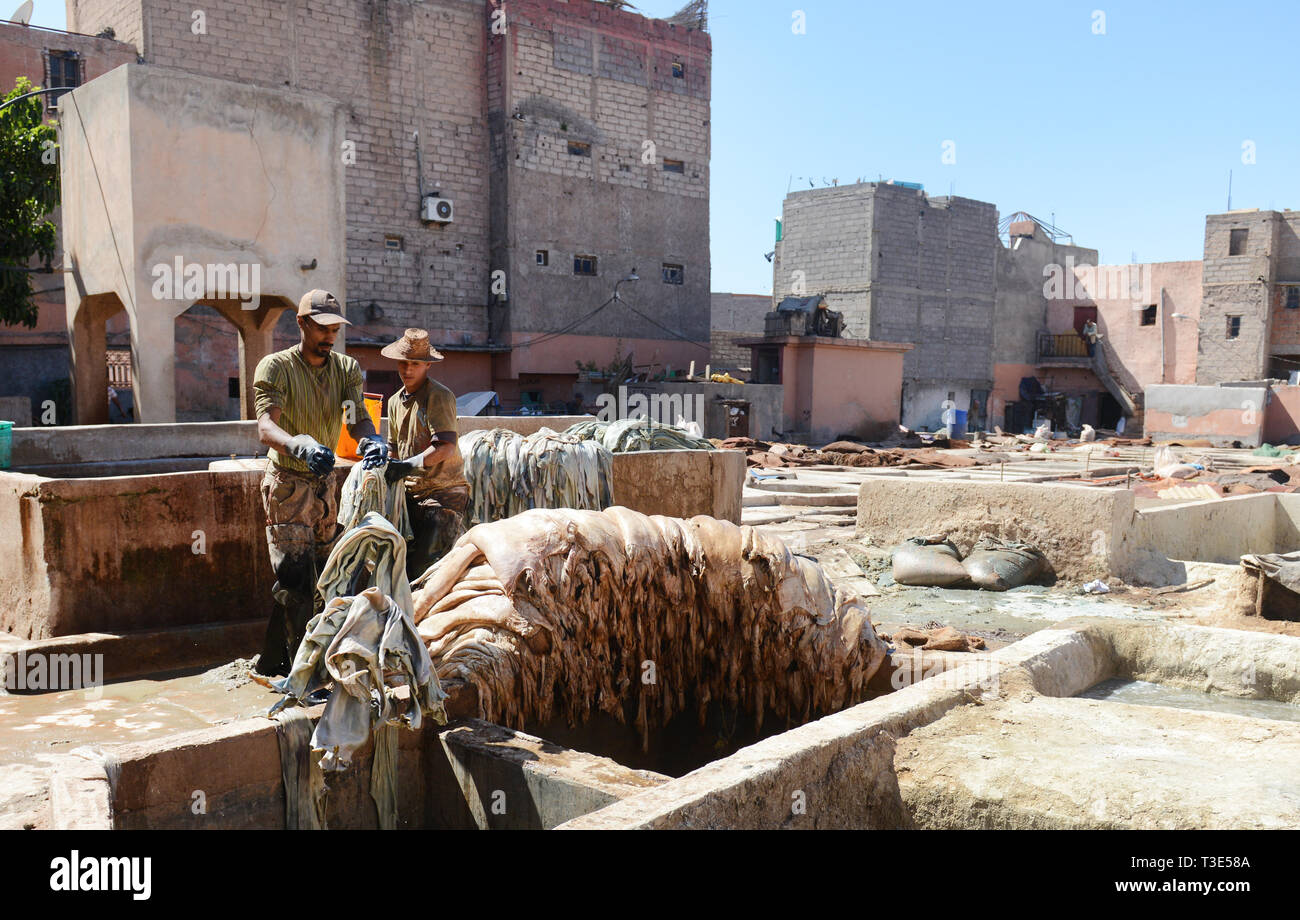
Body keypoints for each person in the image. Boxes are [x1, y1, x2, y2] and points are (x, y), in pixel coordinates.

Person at [251, 289, 388, 676]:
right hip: (287, 484)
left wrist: (371, 440)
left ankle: (272, 663)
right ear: (302, 323)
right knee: (294, 578)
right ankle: (304, 676)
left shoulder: (345, 369)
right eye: (323, 327)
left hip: (325, 485)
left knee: (325, 578)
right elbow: (266, 426)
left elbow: (356, 417)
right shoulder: (275, 367)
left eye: (335, 329)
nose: (330, 336)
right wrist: (299, 445)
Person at [379, 328, 470, 582]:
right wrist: (383, 461)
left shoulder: (438, 396)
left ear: (427, 365)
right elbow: (393, 447)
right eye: (404, 363)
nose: (408, 370)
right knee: (401, 567)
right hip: (411, 496)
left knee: (426, 570)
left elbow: (445, 447)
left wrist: (407, 466)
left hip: (443, 496)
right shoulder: (395, 401)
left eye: (415, 364)